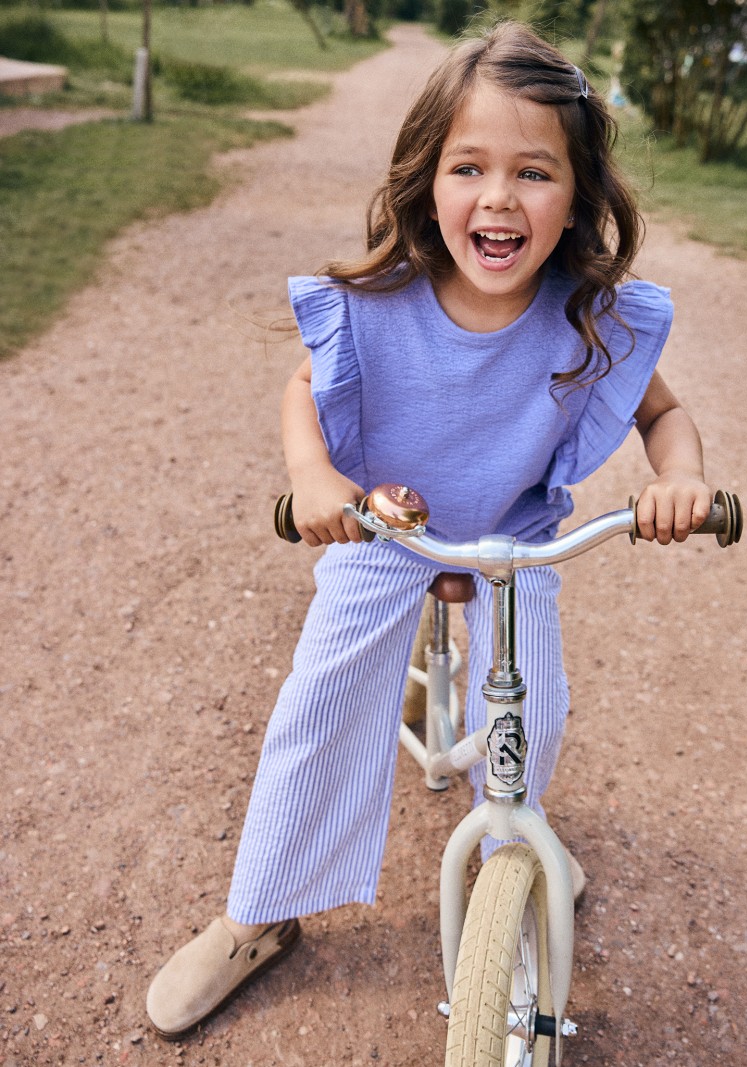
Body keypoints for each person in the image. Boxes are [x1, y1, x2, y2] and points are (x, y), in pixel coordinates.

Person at [146, 21, 712, 1040]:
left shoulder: (587, 316)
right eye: (469, 167)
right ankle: (261, 910)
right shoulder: (380, 301)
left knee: (531, 707)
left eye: (533, 171)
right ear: (427, 178)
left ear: (578, 196)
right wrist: (316, 476)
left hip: (506, 535)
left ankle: (516, 849)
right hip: (383, 527)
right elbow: (301, 391)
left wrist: (681, 476)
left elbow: (662, 416)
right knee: (321, 698)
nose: (497, 198)